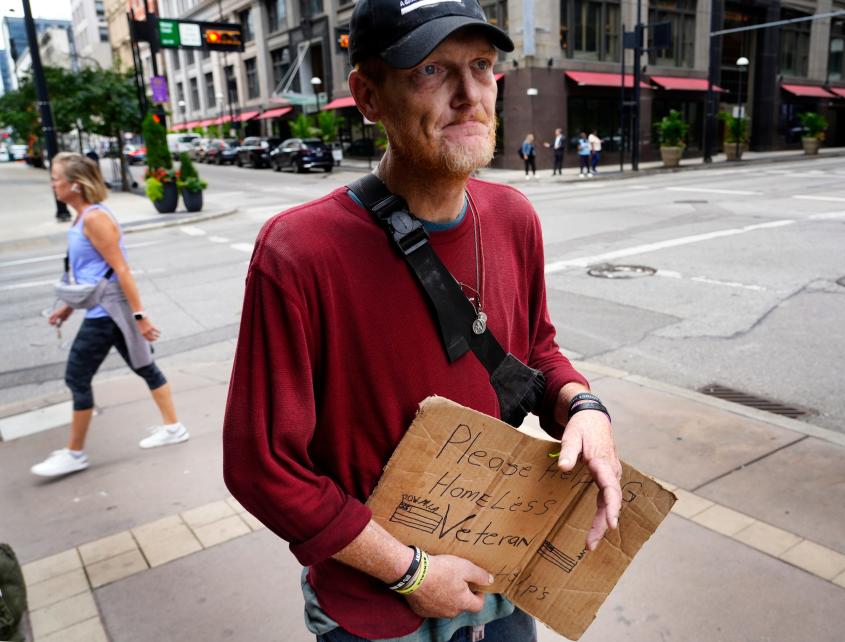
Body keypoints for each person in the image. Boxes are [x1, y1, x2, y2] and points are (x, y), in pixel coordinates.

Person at [222, 2, 623, 641]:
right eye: (432, 69)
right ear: (368, 95)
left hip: (501, 582)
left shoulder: (513, 216)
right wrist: (411, 573)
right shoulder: (299, 251)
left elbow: (536, 350)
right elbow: (262, 465)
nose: (470, 95)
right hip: (377, 612)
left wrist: (585, 408)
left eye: (483, 66)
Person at [31, 153, 188, 477]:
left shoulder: (94, 219)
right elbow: (93, 275)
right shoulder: (81, 217)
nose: (53, 183)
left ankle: (75, 453)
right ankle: (173, 427)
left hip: (109, 314)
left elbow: (121, 270)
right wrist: (67, 307)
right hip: (103, 311)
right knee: (145, 366)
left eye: (56, 177)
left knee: (77, 376)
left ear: (74, 184)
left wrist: (140, 316)